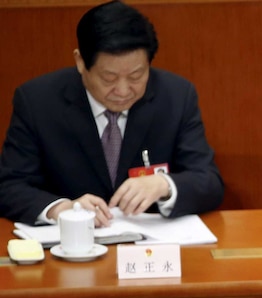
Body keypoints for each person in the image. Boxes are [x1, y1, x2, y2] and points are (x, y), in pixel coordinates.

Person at [0, 0, 224, 227]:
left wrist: (164, 185)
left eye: (136, 76)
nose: (123, 90)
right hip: (69, 248)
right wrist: (60, 209)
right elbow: (9, 186)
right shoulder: (38, 101)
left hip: (149, 249)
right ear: (80, 62)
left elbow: (209, 181)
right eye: (109, 78)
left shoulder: (176, 96)